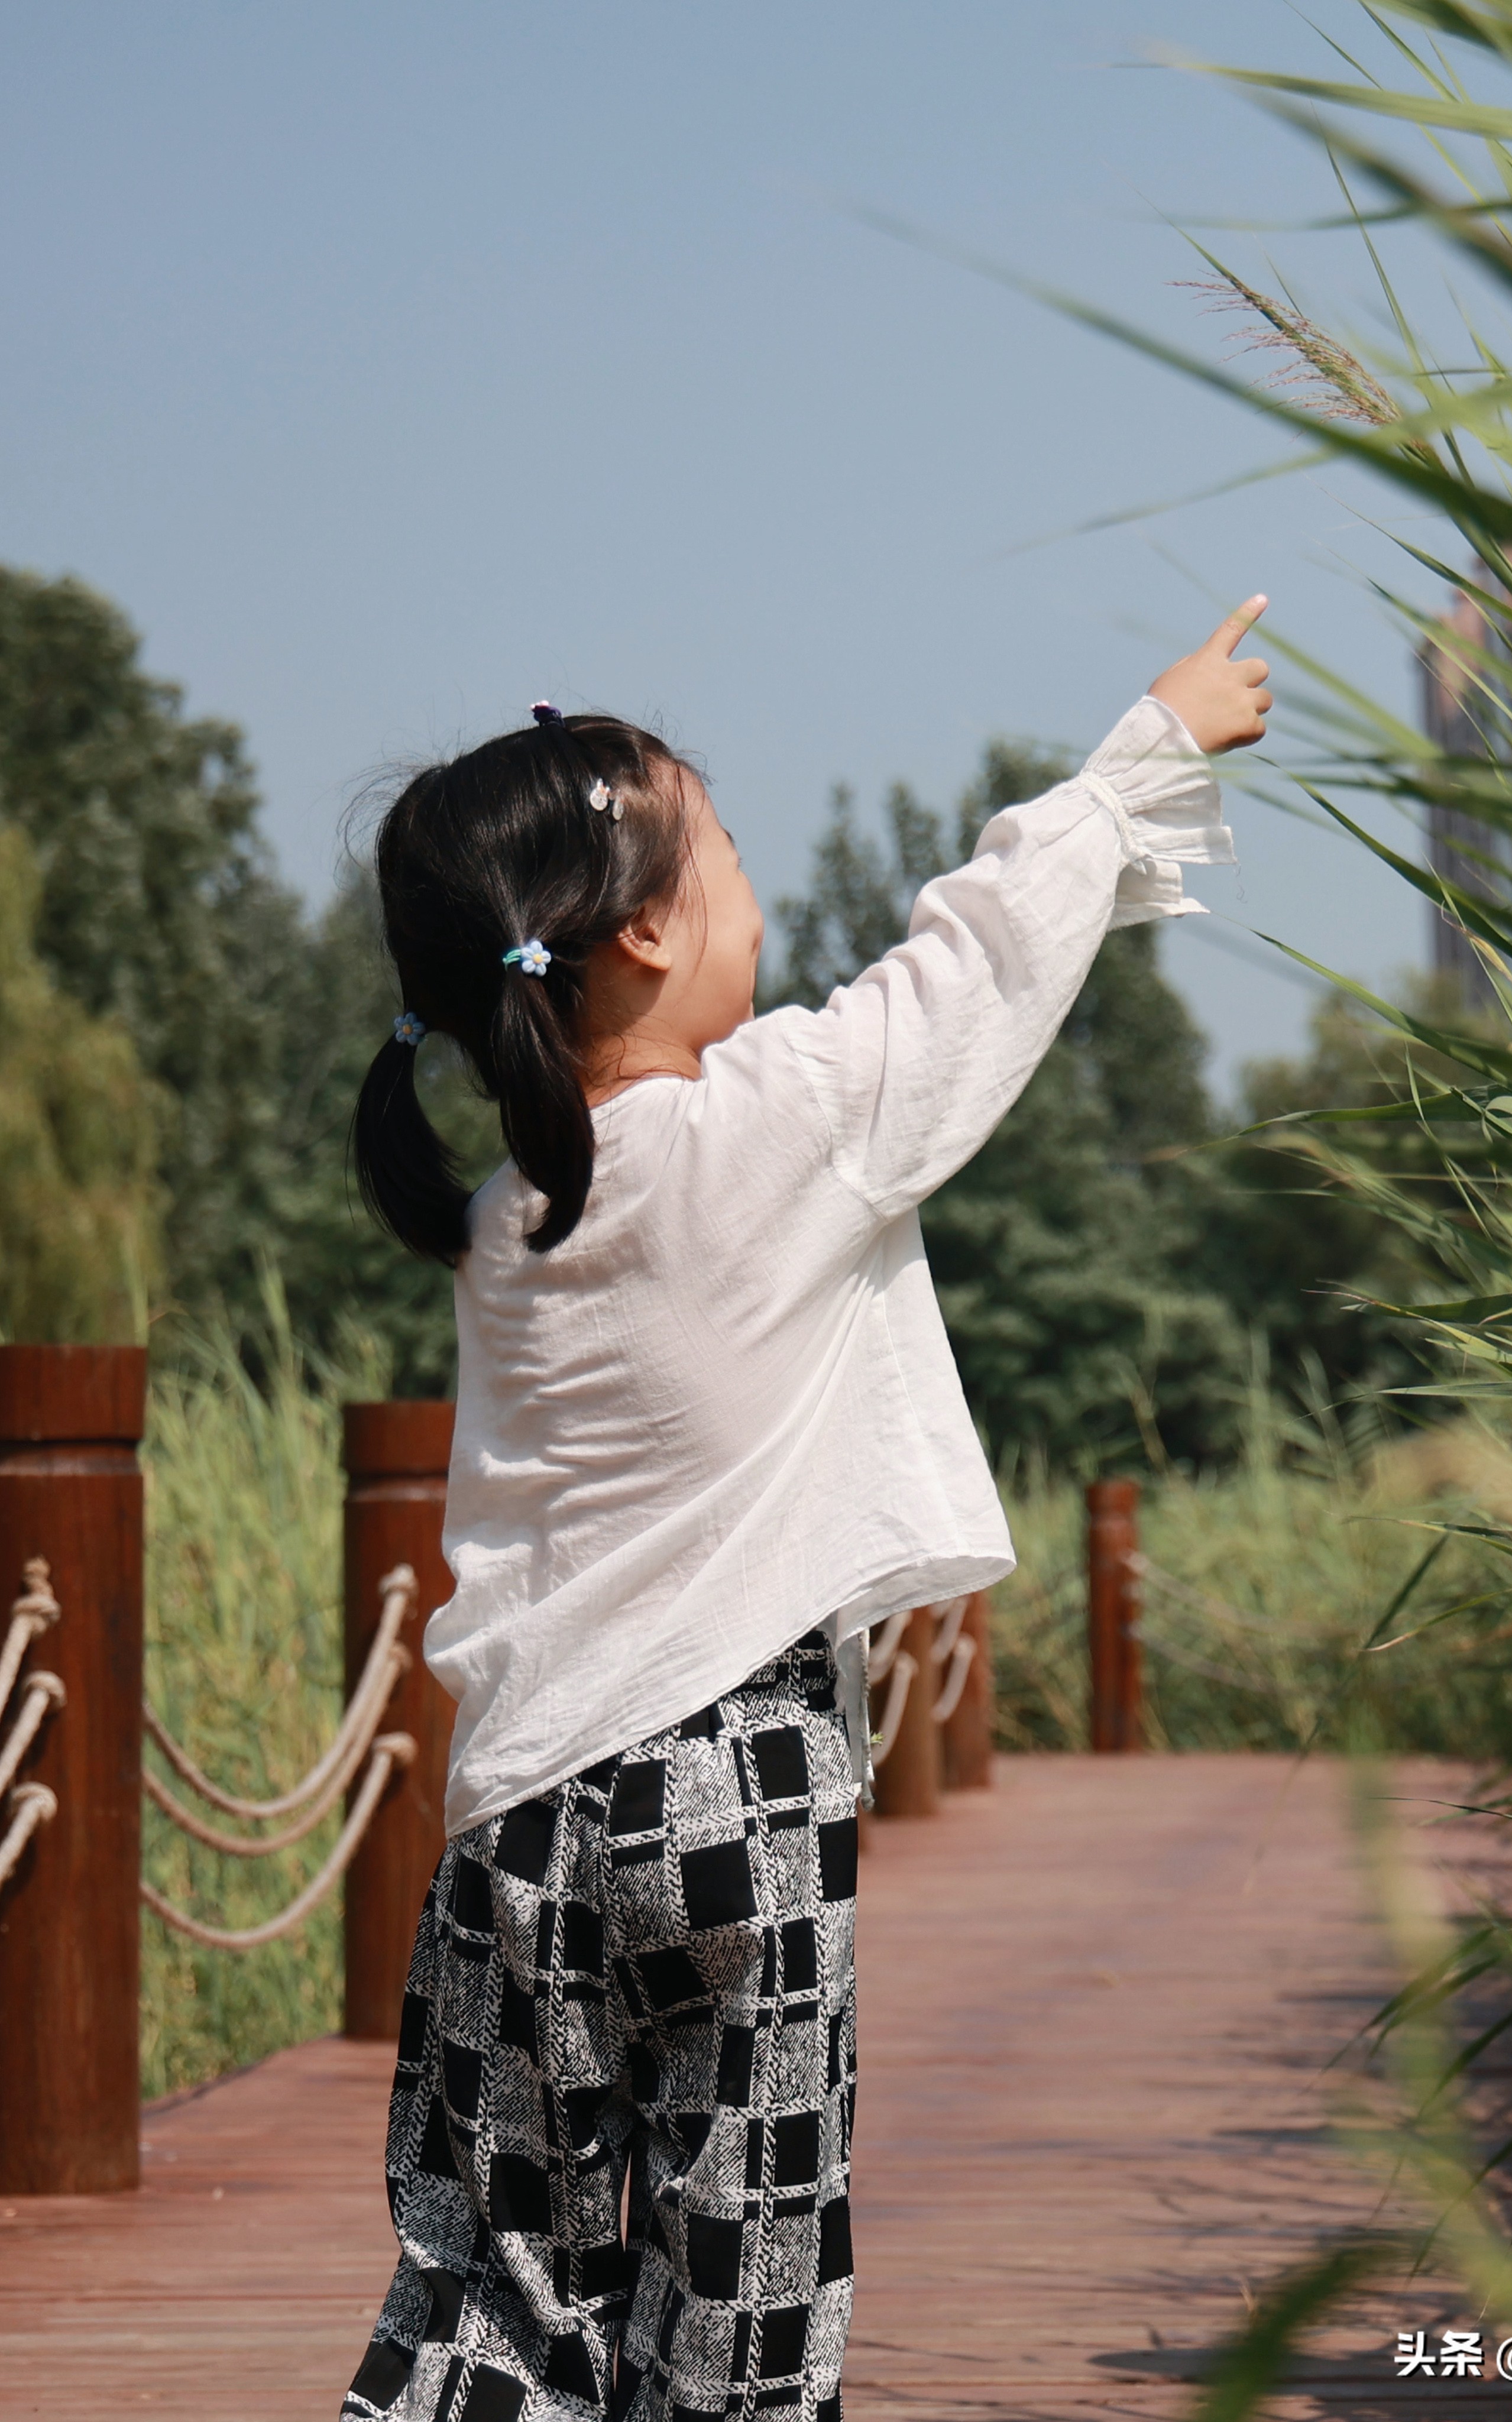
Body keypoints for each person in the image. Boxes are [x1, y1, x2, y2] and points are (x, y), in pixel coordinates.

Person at [340, 604, 1272, 2422]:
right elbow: (975, 969)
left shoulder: (504, 1228)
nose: (760, 893)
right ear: (646, 932)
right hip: (731, 1794)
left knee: (488, 2289)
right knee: (742, 2291)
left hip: (520, 1823)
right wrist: (1147, 744)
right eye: (736, 853)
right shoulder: (770, 1125)